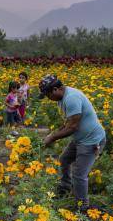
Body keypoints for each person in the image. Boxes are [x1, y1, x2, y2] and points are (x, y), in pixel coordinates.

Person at [39, 74, 106, 212]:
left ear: (56, 89)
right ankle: (65, 187)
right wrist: (53, 134)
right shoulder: (61, 98)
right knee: (64, 159)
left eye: (47, 95)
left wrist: (52, 138)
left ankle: (82, 207)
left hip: (91, 140)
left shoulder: (71, 98)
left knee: (79, 174)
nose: (48, 98)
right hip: (80, 139)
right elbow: (68, 123)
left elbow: (72, 127)